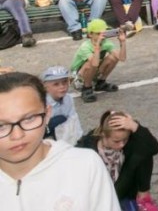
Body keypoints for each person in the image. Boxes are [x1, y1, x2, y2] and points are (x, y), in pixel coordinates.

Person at [0, 72, 120, 210]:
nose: (17, 135)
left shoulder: (84, 166)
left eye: (29, 119)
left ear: (47, 114)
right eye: (1, 126)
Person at [77, 111, 158, 211]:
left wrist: (134, 126)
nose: (121, 145)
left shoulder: (128, 141)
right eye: (116, 141)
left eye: (124, 140)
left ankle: (143, 198)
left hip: (122, 188)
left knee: (143, 150)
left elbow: (153, 148)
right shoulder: (88, 149)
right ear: (103, 135)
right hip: (102, 195)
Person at [70, 19, 127, 103]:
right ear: (90, 34)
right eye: (98, 33)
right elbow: (94, 64)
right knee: (91, 62)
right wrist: (97, 46)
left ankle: (100, 83)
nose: (101, 36)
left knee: (113, 57)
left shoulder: (106, 43)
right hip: (78, 78)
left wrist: (123, 42)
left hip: (93, 70)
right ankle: (87, 88)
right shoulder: (85, 47)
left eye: (103, 33)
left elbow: (121, 58)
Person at [41, 66, 83, 145]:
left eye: (64, 82)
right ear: (45, 87)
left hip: (63, 134)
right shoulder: (42, 103)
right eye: (56, 84)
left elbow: (74, 120)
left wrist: (79, 138)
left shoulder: (68, 98)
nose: (62, 87)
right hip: (46, 135)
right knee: (60, 119)